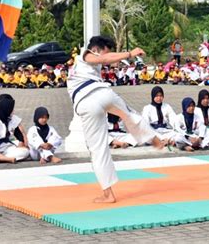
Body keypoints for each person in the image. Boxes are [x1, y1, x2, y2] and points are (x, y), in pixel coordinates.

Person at [67, 35, 165, 203]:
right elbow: (104, 58)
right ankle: (153, 137)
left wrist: (123, 56)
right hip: (100, 94)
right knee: (130, 115)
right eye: (106, 52)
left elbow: (106, 58)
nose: (106, 58)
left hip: (88, 101)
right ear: (96, 49)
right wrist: (129, 53)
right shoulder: (85, 54)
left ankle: (108, 194)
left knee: (98, 150)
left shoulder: (84, 65)